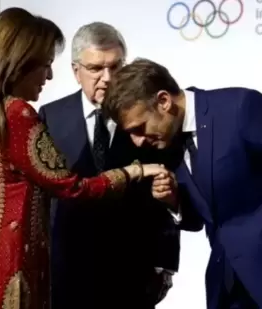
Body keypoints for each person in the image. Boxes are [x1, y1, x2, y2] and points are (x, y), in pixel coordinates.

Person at [0, 8, 171, 309]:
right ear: (20, 64)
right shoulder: (23, 114)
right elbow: (73, 187)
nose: (49, 75)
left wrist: (165, 262)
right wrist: (135, 171)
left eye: (115, 66)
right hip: (21, 270)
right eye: (45, 65)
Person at [101, 58, 262, 309]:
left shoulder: (242, 108)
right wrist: (174, 201)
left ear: (164, 101)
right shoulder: (166, 143)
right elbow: (203, 218)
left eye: (139, 128)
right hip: (226, 287)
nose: (137, 141)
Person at [38, 22, 179, 309]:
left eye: (115, 67)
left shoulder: (148, 116)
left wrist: (165, 263)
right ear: (76, 71)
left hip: (134, 275)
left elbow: (166, 188)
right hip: (68, 274)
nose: (107, 78)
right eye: (95, 69)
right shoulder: (51, 117)